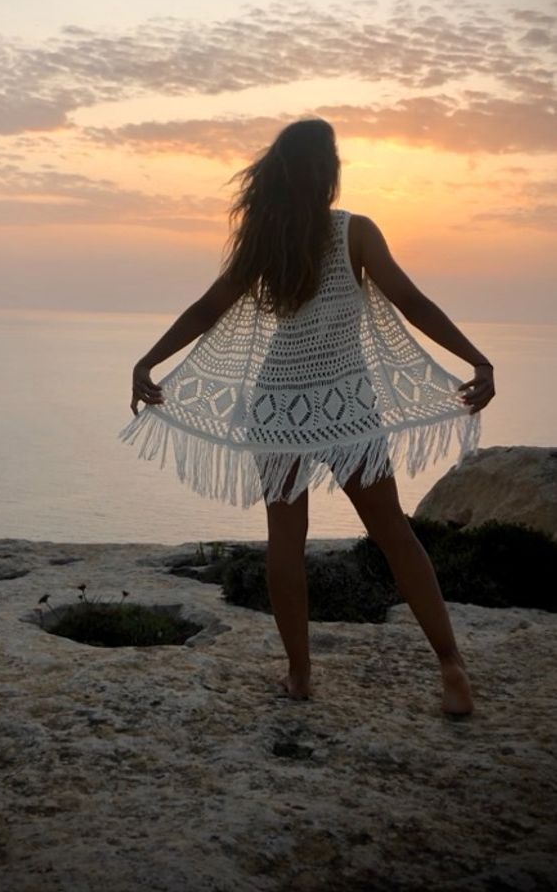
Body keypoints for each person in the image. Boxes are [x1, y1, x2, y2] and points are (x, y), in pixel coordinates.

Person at [121, 119, 495, 717]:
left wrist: (151, 358)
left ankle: (299, 674)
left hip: (276, 404)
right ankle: (451, 667)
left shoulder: (265, 239)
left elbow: (208, 307)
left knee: (285, 540)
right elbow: (413, 301)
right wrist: (474, 358)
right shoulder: (356, 232)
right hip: (346, 403)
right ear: (328, 173)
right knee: (394, 533)